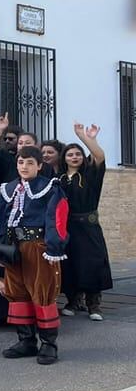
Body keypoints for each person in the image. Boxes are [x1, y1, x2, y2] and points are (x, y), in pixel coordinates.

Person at [0, 146, 69, 364]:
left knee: (42, 292)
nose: (24, 167)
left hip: (38, 246)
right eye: (21, 162)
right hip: (14, 247)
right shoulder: (8, 188)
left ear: (39, 166)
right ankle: (26, 340)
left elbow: (57, 218)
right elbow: (0, 219)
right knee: (17, 292)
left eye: (29, 163)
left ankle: (48, 344)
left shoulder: (50, 187)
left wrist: (53, 247)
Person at [59, 123, 112, 321]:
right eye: (70, 154)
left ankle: (94, 304)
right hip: (68, 226)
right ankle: (73, 300)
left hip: (88, 226)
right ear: (64, 158)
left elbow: (99, 156)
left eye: (77, 154)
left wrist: (85, 137)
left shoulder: (90, 175)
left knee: (93, 263)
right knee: (70, 263)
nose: (74, 157)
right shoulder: (60, 178)